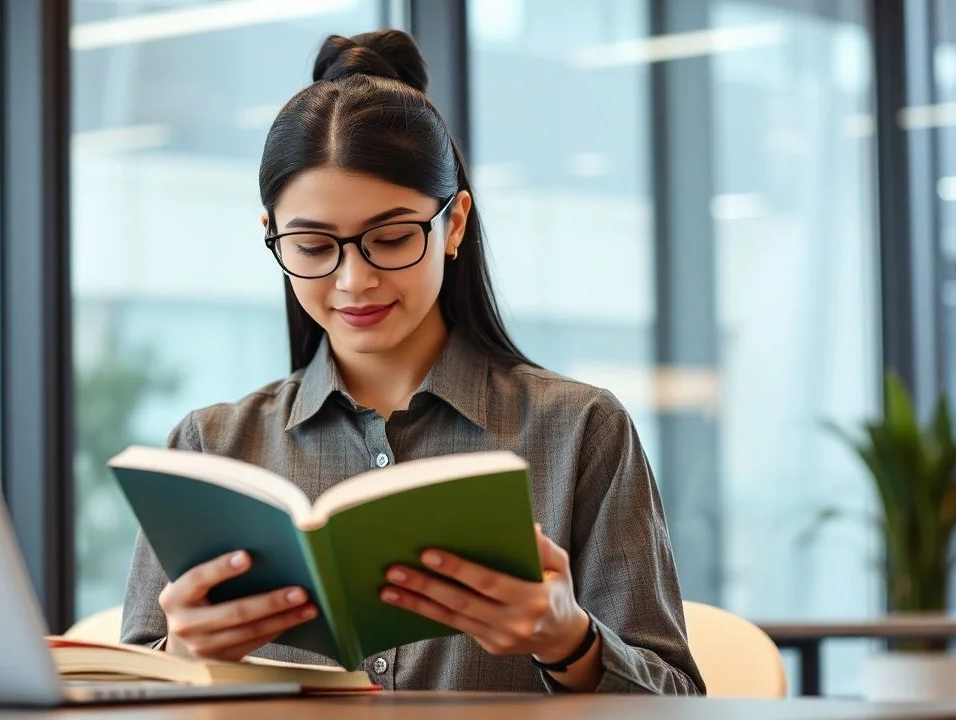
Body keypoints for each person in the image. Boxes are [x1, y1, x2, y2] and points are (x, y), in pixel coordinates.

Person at [121, 29, 704, 695]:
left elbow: (678, 699)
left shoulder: (582, 429)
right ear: (272, 237)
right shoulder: (213, 446)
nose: (353, 281)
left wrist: (569, 641)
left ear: (453, 224)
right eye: (313, 246)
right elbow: (127, 695)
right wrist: (179, 655)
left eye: (390, 238)